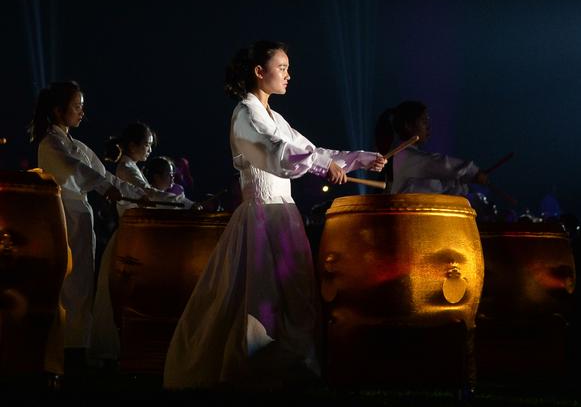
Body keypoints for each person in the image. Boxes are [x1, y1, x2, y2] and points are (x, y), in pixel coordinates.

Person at [163, 40, 386, 389]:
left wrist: (358, 158)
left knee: (291, 293)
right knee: (260, 294)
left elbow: (309, 150)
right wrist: (322, 164)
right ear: (259, 71)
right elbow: (275, 153)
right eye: (281, 67)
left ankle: (289, 366)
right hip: (260, 217)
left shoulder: (275, 117)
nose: (288, 75)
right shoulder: (245, 113)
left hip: (283, 214)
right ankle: (254, 368)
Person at [27, 81, 153, 367]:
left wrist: (139, 194)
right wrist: (101, 186)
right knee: (71, 284)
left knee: (82, 283)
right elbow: (77, 171)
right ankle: (68, 351)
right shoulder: (52, 144)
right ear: (59, 111)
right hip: (64, 218)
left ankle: (76, 347)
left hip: (80, 218)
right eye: (77, 106)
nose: (82, 112)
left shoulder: (76, 146)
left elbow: (105, 176)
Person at [88, 122, 192, 365]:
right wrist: (187, 204)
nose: (149, 149)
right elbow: (148, 194)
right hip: (129, 237)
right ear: (133, 145)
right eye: (146, 144)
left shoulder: (131, 167)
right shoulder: (126, 169)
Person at [374, 100, 488, 195]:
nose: (428, 127)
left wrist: (464, 184)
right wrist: (473, 171)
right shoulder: (404, 156)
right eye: (424, 121)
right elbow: (441, 164)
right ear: (408, 126)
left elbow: (437, 186)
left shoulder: (407, 159)